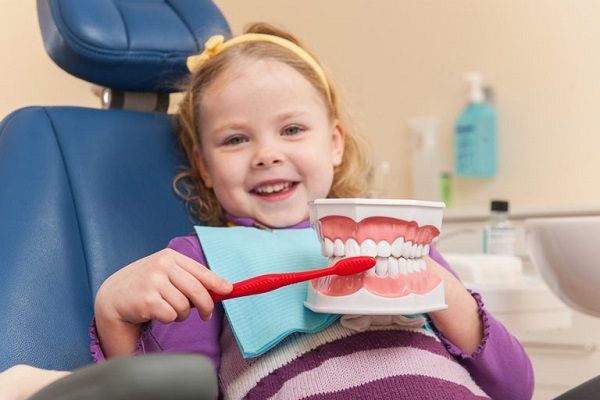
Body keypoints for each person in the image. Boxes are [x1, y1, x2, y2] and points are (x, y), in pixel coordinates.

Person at [0, 22, 534, 400]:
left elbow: (515, 387)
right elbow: (172, 389)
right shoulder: (200, 261)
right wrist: (113, 313)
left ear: (335, 144)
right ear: (204, 167)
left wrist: (447, 292)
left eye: (292, 129)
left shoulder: (401, 247)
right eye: (235, 138)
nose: (267, 153)